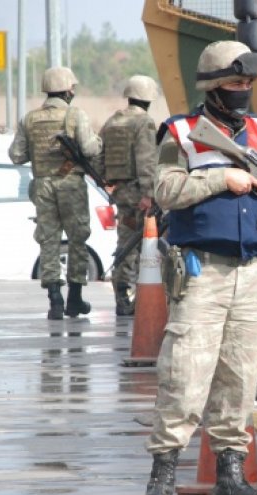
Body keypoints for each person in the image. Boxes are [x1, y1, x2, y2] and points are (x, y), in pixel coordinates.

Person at [139, 40, 257, 495]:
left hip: (253, 273)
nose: (243, 91)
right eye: (235, 83)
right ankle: (161, 480)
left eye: (248, 83)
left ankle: (230, 479)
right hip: (201, 271)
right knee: (184, 373)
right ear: (212, 86)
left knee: (242, 374)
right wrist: (221, 179)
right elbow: (165, 189)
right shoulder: (182, 132)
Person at [8, 66, 102, 320]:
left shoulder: (29, 119)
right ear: (67, 90)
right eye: (72, 87)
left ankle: (55, 301)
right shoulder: (75, 115)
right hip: (71, 184)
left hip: (42, 186)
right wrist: (98, 141)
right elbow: (90, 148)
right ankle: (74, 299)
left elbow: (16, 155)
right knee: (77, 239)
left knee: (48, 241)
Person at [99, 75, 159, 316]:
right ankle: (130, 297)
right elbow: (146, 160)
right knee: (140, 246)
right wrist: (149, 194)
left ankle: (122, 295)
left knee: (125, 243)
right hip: (138, 192)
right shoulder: (143, 122)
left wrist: (107, 181)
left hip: (121, 192)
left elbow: (99, 155)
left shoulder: (113, 121)